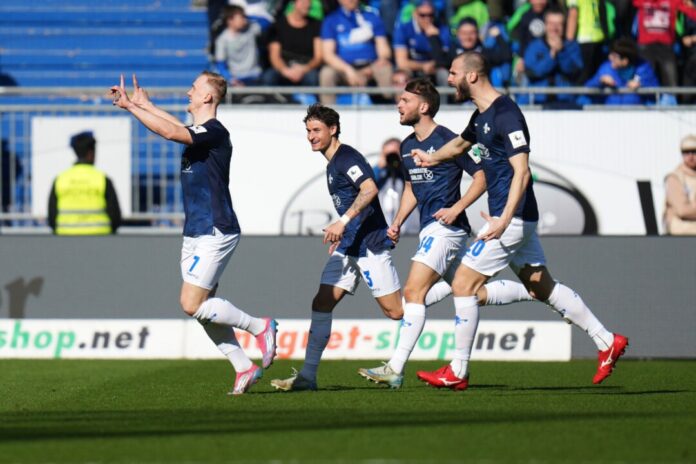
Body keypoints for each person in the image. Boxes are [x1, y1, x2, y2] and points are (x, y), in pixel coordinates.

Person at [412, 52, 628, 390]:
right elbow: (457, 146)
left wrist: (503, 219)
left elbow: (522, 173)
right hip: (511, 217)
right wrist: (430, 157)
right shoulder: (481, 115)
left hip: (510, 219)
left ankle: (458, 370)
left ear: (471, 76)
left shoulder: (507, 114)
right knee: (541, 286)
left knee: (463, 285)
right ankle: (606, 340)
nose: (449, 79)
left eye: (453, 73)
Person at [357, 78, 533, 389]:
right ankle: (533, 291)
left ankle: (395, 367)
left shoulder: (449, 139)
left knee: (413, 292)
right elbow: (412, 186)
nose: (399, 105)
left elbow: (481, 177)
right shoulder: (407, 145)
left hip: (447, 229)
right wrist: (396, 221)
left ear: (423, 107)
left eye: (405, 100)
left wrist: (457, 208)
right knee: (471, 291)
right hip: (429, 228)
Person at [110, 72, 277, 395]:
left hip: (216, 227)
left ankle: (261, 326)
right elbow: (179, 128)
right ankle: (244, 367)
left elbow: (173, 133)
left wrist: (133, 109)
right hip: (196, 229)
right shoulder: (201, 132)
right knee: (205, 308)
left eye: (194, 88)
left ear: (208, 98)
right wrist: (142, 104)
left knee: (190, 303)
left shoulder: (215, 132)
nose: (188, 92)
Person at [269, 104, 454, 392]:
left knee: (397, 312)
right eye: (308, 131)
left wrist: (342, 222)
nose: (311, 136)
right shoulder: (332, 163)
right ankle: (308, 376)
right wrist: (344, 234)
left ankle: (456, 286)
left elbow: (369, 189)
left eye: (316, 130)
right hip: (349, 246)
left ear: (333, 130)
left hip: (368, 244)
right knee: (322, 302)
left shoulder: (347, 157)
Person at [318, 0, 393, 104]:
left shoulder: (372, 17)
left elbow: (384, 49)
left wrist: (374, 66)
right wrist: (348, 70)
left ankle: (391, 109)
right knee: (327, 73)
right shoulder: (331, 20)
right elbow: (328, 55)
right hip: (344, 68)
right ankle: (327, 114)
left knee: (385, 68)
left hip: (371, 66)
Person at [47, 131, 121, 235]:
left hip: (65, 239)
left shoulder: (60, 179)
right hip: (99, 238)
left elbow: (52, 217)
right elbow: (115, 216)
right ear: (91, 153)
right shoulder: (102, 179)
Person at [523, 7, 583, 104]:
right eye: (551, 23)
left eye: (559, 24)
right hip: (538, 103)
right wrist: (551, 57)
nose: (555, 28)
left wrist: (562, 52)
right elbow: (532, 73)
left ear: (564, 26)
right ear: (545, 25)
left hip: (566, 103)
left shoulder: (572, 47)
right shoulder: (533, 46)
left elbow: (575, 72)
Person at [262, 0, 323, 88]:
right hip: (284, 67)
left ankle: (309, 101)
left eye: (309, 3)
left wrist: (304, 69)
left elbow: (318, 57)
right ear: (294, 4)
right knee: (269, 77)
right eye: (303, 3)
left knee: (313, 78)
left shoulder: (316, 25)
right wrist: (285, 71)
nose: (307, 6)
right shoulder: (278, 25)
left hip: (306, 67)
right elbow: (275, 57)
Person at [584, 38, 659, 105]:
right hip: (610, 114)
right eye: (610, 54)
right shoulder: (606, 68)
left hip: (636, 115)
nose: (610, 58)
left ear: (625, 61)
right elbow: (587, 89)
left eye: (614, 56)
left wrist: (641, 85)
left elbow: (655, 91)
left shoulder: (643, 69)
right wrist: (599, 81)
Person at [392, 0, 450, 86]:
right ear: (415, 14)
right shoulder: (403, 29)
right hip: (413, 68)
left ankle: (444, 99)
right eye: (422, 15)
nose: (427, 19)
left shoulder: (442, 29)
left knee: (444, 74)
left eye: (431, 15)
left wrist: (434, 38)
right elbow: (401, 62)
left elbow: (444, 59)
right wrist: (423, 66)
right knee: (401, 77)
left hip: (434, 68)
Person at [373, 137, 420, 234]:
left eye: (395, 154)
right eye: (388, 154)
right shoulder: (380, 175)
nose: (392, 158)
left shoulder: (407, 172)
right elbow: (367, 187)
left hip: (410, 231)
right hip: (384, 231)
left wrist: (404, 163)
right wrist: (379, 166)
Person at [215, 5, 263, 87]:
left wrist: (249, 17)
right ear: (230, 20)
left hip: (254, 75)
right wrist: (232, 80)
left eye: (245, 17)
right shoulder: (222, 39)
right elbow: (220, 64)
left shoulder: (251, 29)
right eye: (241, 17)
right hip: (236, 77)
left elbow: (267, 21)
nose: (245, 20)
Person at [664, 134, 696, 235]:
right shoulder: (675, 177)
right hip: (680, 228)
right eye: (686, 152)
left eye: (694, 152)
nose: (691, 156)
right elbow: (683, 211)